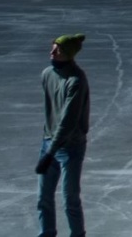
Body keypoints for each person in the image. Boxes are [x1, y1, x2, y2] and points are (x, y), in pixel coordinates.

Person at [38, 32, 93, 237]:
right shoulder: (47, 74)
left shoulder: (76, 80)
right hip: (49, 142)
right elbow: (51, 113)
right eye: (52, 47)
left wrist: (50, 152)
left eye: (58, 49)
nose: (52, 52)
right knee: (43, 198)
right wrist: (47, 143)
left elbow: (68, 121)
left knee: (70, 199)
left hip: (71, 147)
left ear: (68, 54)